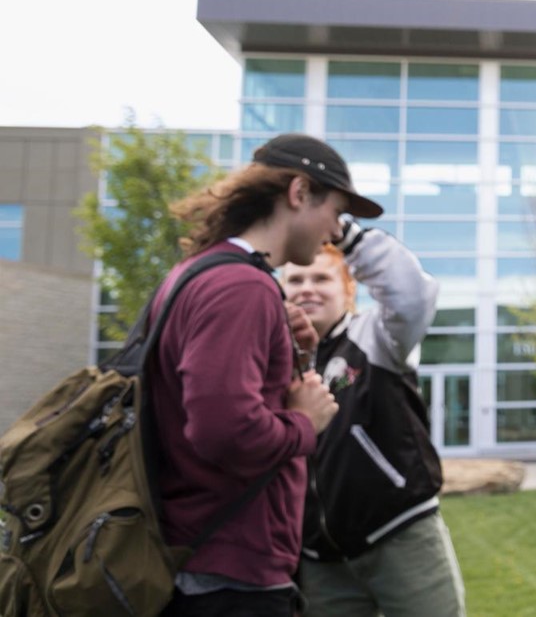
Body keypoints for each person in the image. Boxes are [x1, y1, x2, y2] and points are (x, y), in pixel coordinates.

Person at [151, 133, 379, 616]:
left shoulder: (196, 274)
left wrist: (294, 352)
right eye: (335, 211)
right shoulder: (241, 287)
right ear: (299, 193)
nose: (336, 230)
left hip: (201, 559)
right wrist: (304, 421)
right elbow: (223, 432)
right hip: (230, 575)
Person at [281, 217, 464, 616]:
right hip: (319, 558)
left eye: (321, 279)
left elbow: (413, 297)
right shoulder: (276, 362)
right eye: (295, 281)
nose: (307, 288)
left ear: (348, 289)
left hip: (400, 536)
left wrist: (347, 235)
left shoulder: (376, 338)